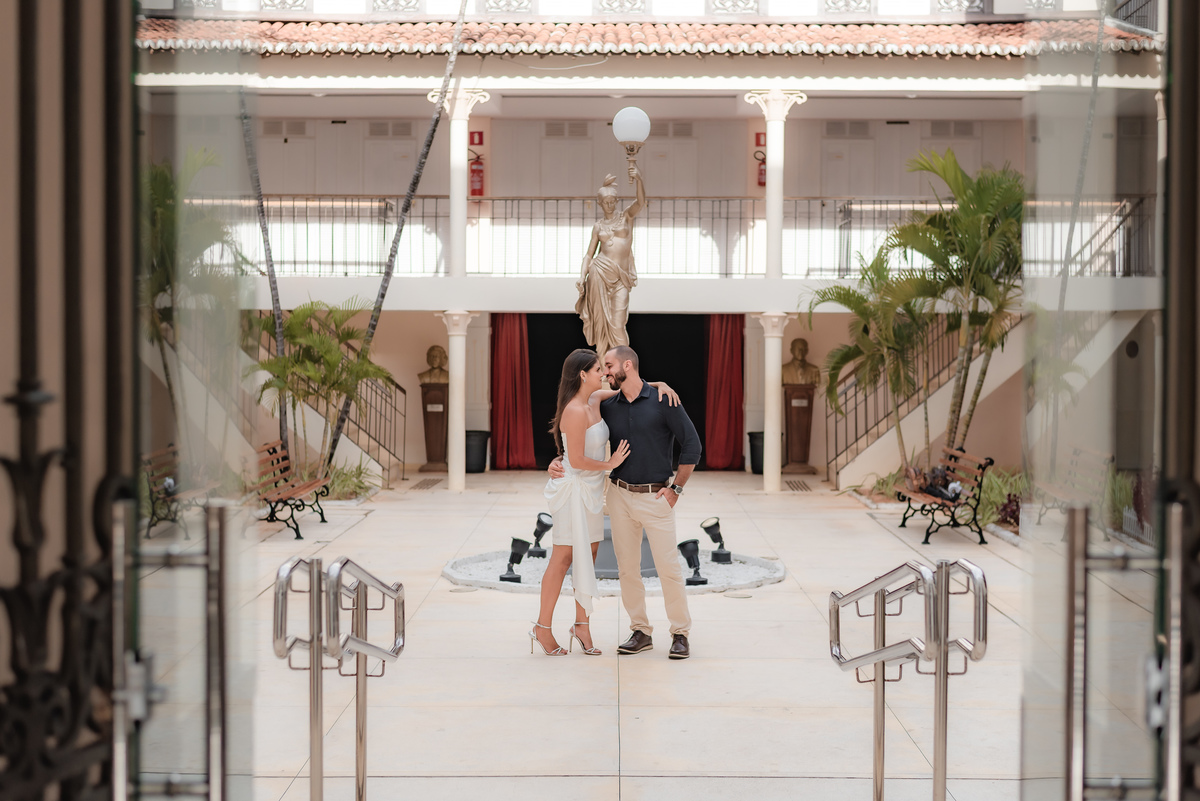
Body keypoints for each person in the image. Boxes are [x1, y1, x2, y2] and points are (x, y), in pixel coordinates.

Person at [549, 345, 702, 660]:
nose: (604, 372)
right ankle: (640, 630)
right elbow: (576, 431)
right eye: (601, 368)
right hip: (617, 496)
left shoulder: (664, 401)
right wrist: (559, 459)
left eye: (608, 365)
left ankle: (680, 633)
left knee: (669, 569)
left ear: (627, 365)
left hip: (656, 497)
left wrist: (677, 489)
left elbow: (692, 445)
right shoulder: (609, 404)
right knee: (627, 570)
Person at [574, 165, 645, 360]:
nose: (610, 205)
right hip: (599, 273)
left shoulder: (626, 217)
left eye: (613, 201)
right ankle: (607, 368)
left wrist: (639, 179)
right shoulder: (598, 227)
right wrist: (582, 276)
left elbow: (640, 202)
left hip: (620, 277)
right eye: (606, 202)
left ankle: (623, 365)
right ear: (600, 203)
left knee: (618, 323)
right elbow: (589, 254)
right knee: (602, 326)